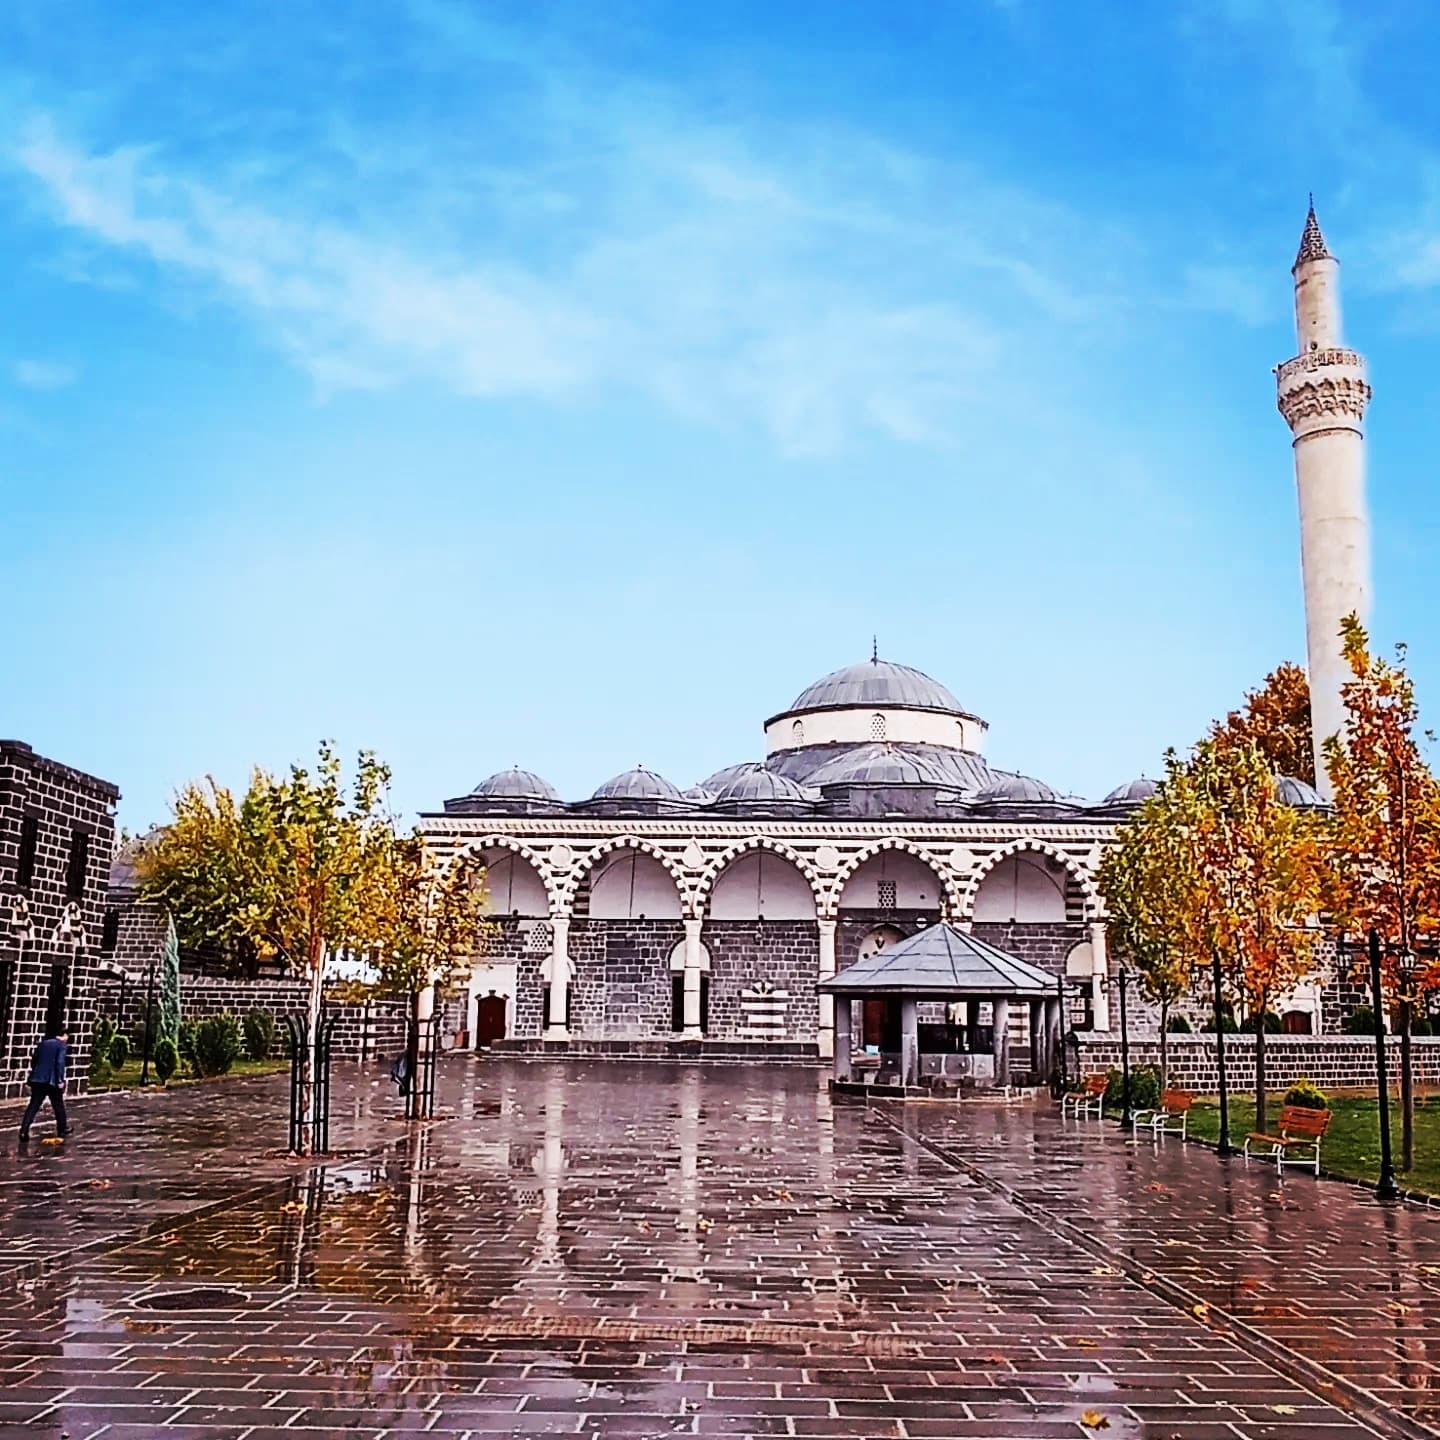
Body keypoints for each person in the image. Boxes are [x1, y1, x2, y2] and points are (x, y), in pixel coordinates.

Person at [19, 1028, 69, 1144]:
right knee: (58, 1105)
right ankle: (62, 1128)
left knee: (33, 1105)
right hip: (51, 1080)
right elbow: (59, 1063)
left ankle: (23, 1130)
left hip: (38, 1079)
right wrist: (60, 1080)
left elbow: (34, 1060)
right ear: (64, 1035)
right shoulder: (61, 1045)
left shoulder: (42, 1044)